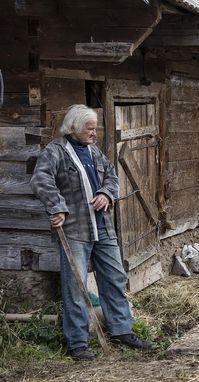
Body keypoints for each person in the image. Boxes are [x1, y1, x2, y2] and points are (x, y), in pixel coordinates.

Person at [30, 104, 153, 361]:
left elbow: (112, 176)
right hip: (74, 229)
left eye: (95, 129)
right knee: (76, 287)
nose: (94, 133)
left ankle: (121, 330)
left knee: (115, 278)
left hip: (103, 227)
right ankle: (78, 343)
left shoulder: (94, 151)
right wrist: (57, 207)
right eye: (90, 129)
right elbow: (41, 180)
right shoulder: (55, 152)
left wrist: (106, 193)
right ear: (73, 127)